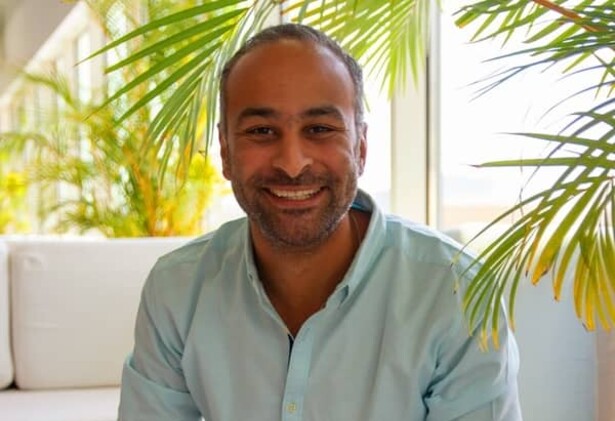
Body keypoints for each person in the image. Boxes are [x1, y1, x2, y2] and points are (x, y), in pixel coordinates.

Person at [118, 23, 522, 421]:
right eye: (261, 131)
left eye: (319, 129)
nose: (292, 163)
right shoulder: (177, 289)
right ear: (225, 150)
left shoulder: (455, 292)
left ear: (360, 147)